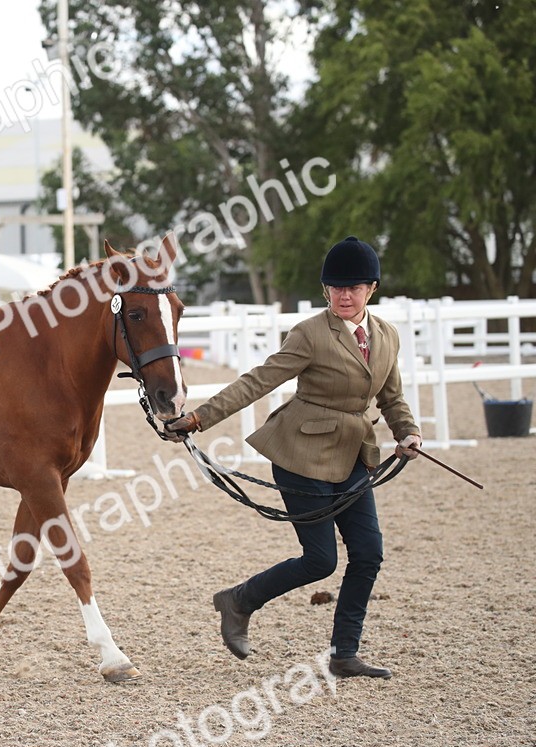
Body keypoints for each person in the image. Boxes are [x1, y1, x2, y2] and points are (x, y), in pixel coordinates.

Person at [166, 236, 422, 679]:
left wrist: (409, 432)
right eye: (336, 288)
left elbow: (391, 396)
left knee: (368, 553)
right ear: (326, 291)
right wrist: (200, 418)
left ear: (371, 289)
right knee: (320, 560)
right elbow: (259, 380)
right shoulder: (309, 334)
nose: (345, 295)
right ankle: (239, 601)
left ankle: (344, 653)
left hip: (354, 456)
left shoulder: (386, 337)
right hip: (301, 453)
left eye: (354, 287)